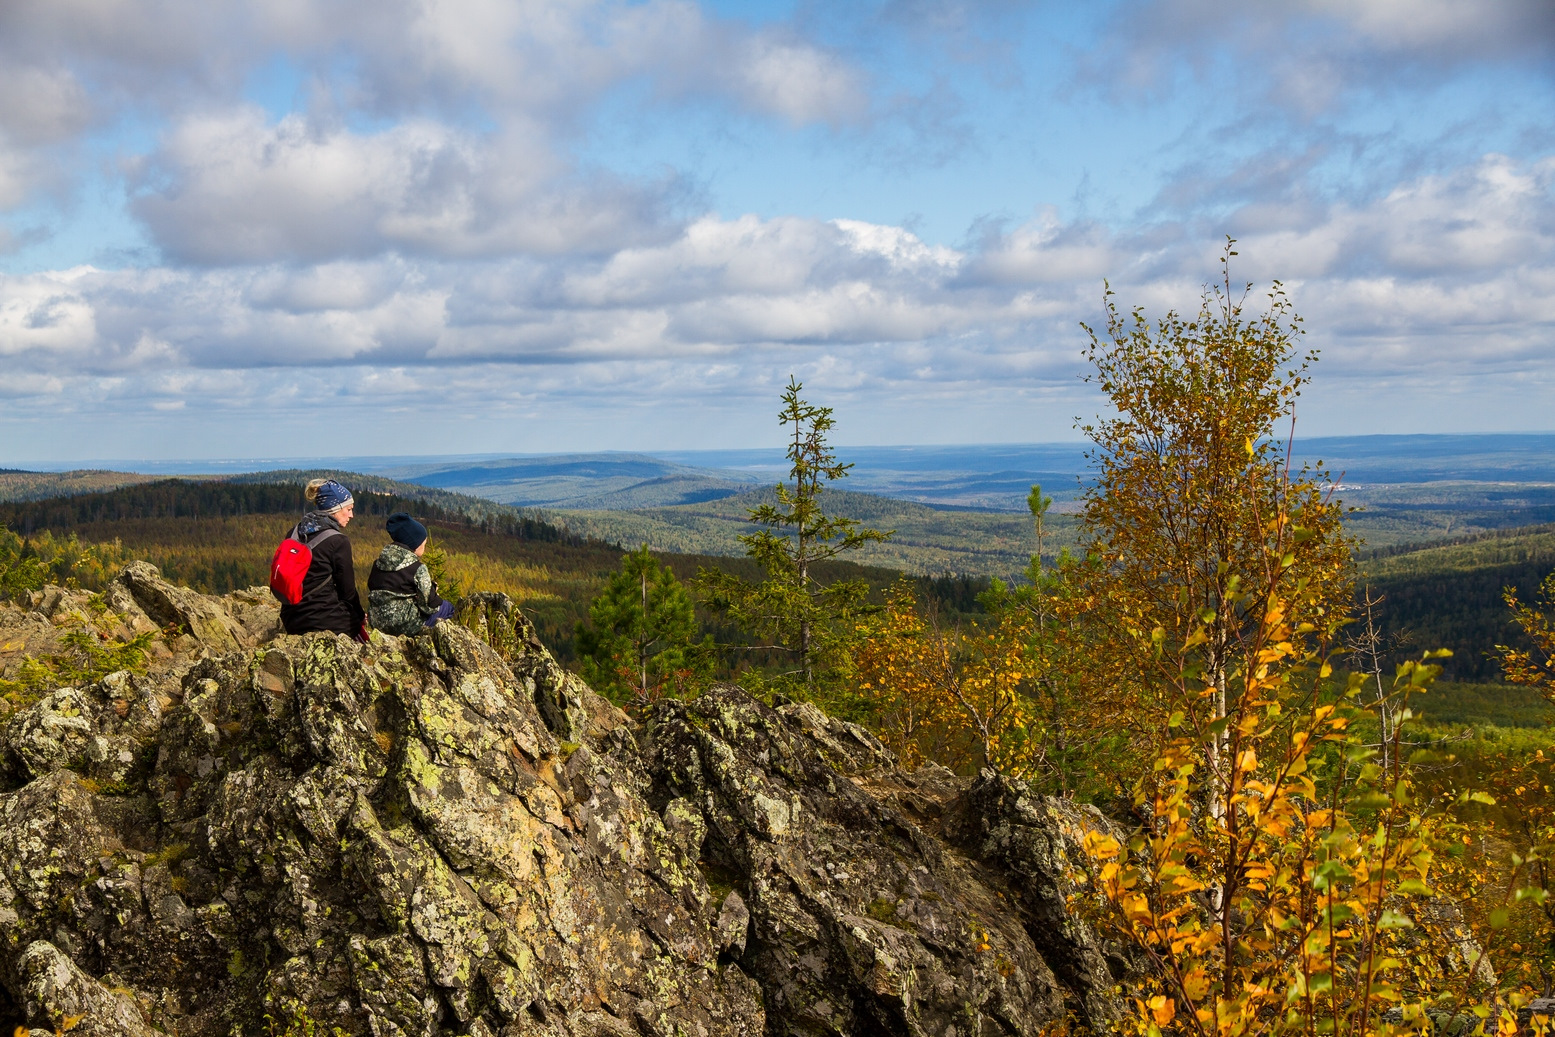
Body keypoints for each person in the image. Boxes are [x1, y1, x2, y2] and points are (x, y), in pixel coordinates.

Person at [279, 478, 368, 640]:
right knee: (361, 637)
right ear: (335, 508)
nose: (351, 515)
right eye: (348, 509)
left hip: (290, 618)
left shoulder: (294, 532)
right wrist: (360, 616)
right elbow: (347, 592)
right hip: (325, 622)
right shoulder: (338, 541)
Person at [367, 512, 455, 635]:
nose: (425, 544)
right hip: (405, 626)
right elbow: (429, 605)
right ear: (414, 544)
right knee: (447, 607)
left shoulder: (377, 564)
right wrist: (433, 591)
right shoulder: (417, 568)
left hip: (378, 623)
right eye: (423, 543)